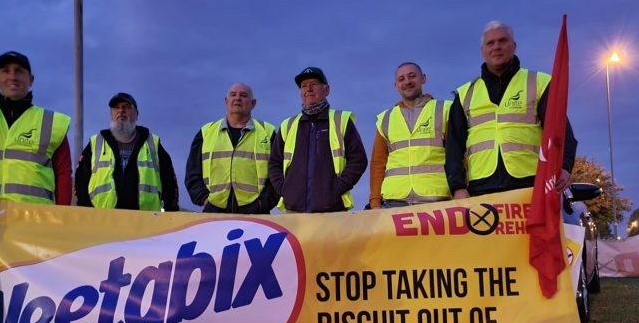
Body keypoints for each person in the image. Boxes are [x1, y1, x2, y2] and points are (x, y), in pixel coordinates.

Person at [445, 21, 577, 198]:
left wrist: (564, 167)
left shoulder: (539, 83)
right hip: (481, 189)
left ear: (514, 46)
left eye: (502, 41)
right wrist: (457, 187)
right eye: (490, 43)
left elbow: (561, 132)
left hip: (531, 186)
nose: (496, 47)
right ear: (482, 51)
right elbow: (453, 146)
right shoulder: (465, 94)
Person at [268, 67, 367, 212]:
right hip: (294, 212)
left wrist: (336, 189)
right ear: (301, 93)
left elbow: (358, 160)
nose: (308, 89)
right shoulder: (287, 125)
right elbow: (274, 163)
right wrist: (285, 190)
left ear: (326, 90)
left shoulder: (341, 121)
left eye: (314, 84)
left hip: (332, 211)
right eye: (303, 86)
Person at [0, 51, 72, 205]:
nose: (12, 76)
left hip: (36, 221)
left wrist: (63, 218)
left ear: (31, 79)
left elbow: (63, 174)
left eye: (19, 71)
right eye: (6, 70)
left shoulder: (52, 123)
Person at [75, 92, 179, 211]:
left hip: (145, 222)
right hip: (103, 222)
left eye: (126, 106)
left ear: (136, 114)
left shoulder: (153, 144)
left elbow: (169, 182)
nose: (121, 110)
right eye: (116, 107)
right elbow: (80, 182)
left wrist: (171, 214)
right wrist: (87, 213)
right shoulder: (96, 143)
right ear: (111, 114)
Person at [185, 83, 279, 213]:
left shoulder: (268, 133)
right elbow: (192, 173)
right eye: (233, 94)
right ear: (226, 100)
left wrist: (262, 204)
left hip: (256, 215)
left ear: (253, 103)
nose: (238, 98)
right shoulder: (206, 132)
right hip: (215, 212)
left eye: (243, 95)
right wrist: (204, 199)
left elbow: (278, 174)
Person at [369, 62, 452, 208]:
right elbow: (378, 163)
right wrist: (375, 202)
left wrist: (461, 190)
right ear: (396, 86)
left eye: (412, 76)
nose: (407, 82)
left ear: (423, 78)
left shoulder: (444, 110)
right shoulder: (386, 119)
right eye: (401, 79)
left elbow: (459, 156)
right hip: (395, 202)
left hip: (437, 201)